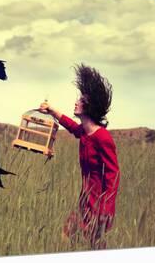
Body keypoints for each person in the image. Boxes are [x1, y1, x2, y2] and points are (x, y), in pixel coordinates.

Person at [39, 64, 120, 249]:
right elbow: (72, 127)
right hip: (84, 200)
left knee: (93, 245)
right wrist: (52, 110)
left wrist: (105, 211)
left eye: (81, 100)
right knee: (69, 237)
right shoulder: (84, 133)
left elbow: (113, 174)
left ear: (89, 106)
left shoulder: (102, 137)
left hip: (98, 205)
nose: (76, 102)